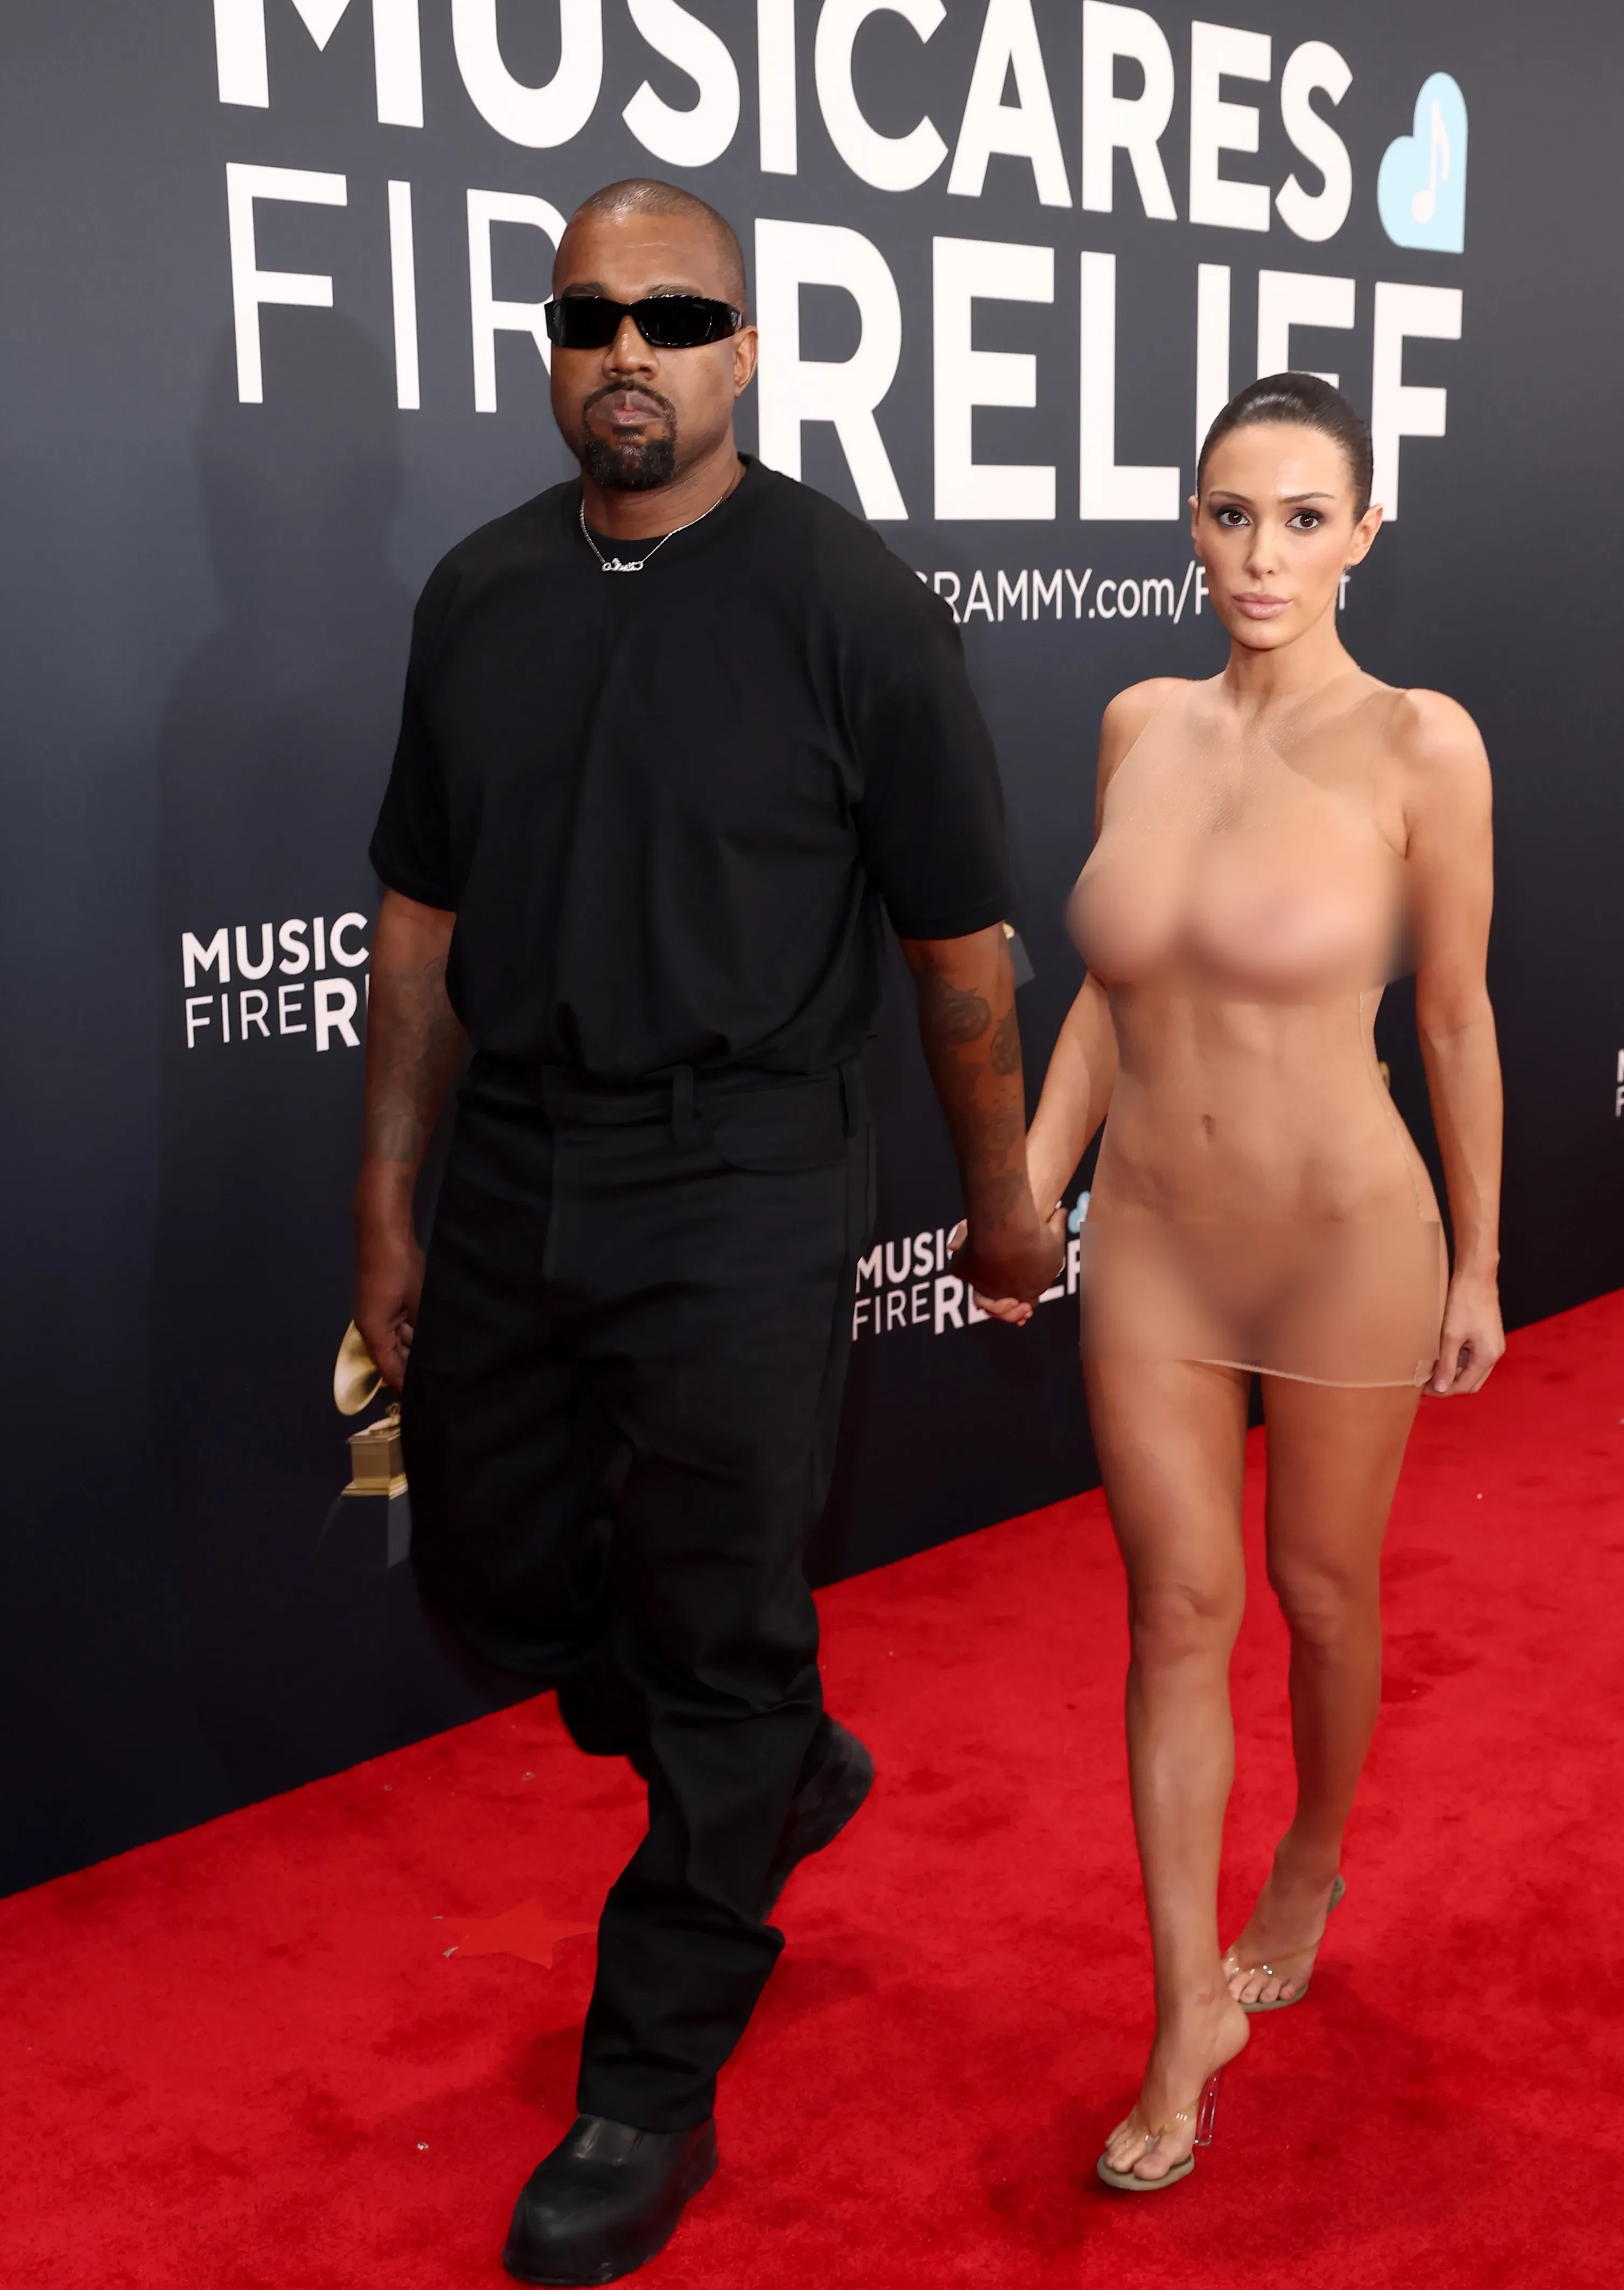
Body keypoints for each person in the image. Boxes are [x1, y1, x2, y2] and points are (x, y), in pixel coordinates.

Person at [353, 178, 1061, 2284]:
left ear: (746, 347)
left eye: (674, 317)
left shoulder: (851, 603)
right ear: (552, 352)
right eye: (591, 318)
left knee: (725, 1612)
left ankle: (650, 2084)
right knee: (488, 1568)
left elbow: (959, 952)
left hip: (746, 1168)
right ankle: (761, 1755)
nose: (629, 354)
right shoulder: (478, 592)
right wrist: (385, 1192)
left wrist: (1004, 1200)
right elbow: (417, 923)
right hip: (516, 1155)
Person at [981, 374, 1503, 2190]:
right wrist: (1028, 1189)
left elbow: (1456, 1019)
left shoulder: (1425, 745)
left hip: (1348, 1235)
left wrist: (1483, 1258)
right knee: (1178, 1611)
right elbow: (1104, 1004)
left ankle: (1311, 1859)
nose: (1261, 553)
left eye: (1300, 517)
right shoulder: (1140, 723)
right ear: (1191, 525)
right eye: (1229, 514)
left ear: (1364, 532)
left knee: (1321, 1592)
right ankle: (1183, 2009)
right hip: (1153, 1237)